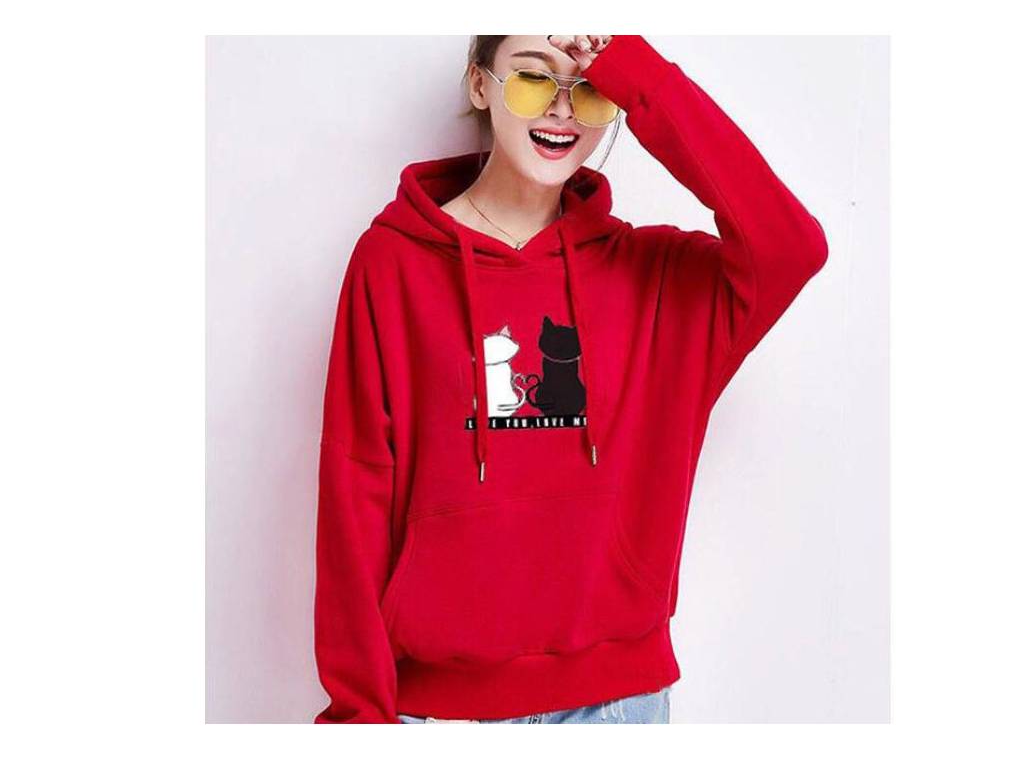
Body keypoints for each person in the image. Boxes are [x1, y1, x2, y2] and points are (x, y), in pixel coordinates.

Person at [312, 35, 828, 724]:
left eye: (587, 91)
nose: (561, 110)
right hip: (438, 712)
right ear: (479, 85)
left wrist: (638, 75)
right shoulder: (393, 265)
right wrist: (357, 717)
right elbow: (355, 494)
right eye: (533, 80)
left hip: (618, 709)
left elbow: (791, 246)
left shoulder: (658, 280)